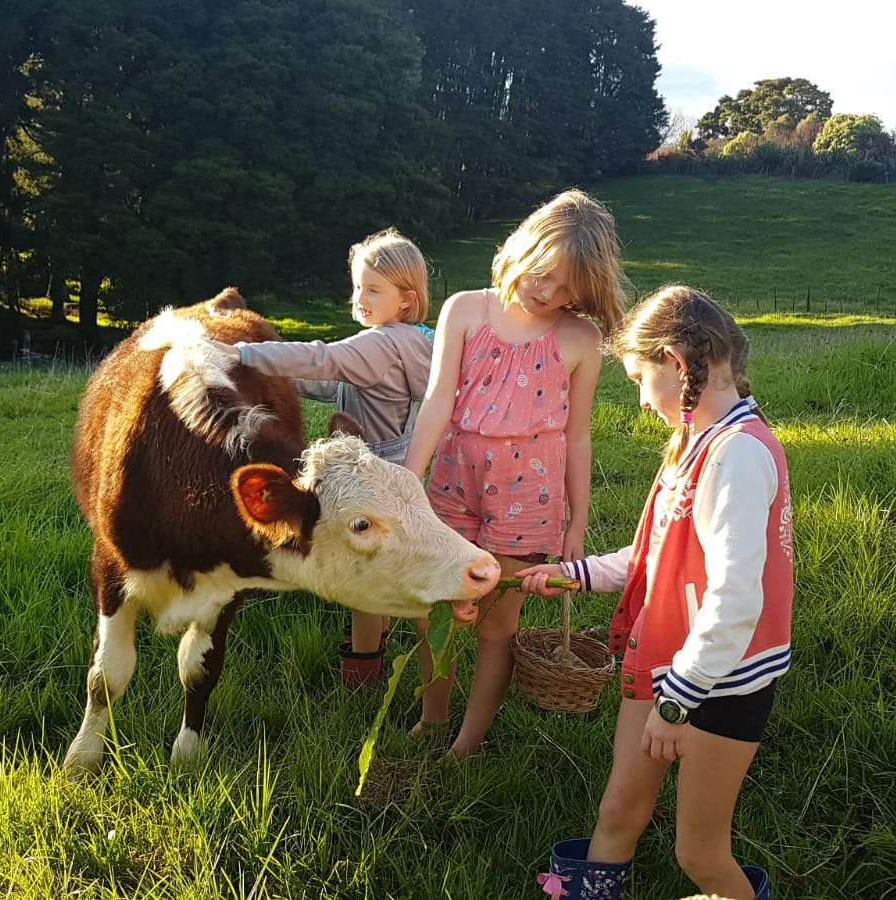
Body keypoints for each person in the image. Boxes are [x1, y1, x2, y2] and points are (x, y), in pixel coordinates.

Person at [520, 285, 793, 900]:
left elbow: (735, 601)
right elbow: (659, 557)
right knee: (619, 806)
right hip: (669, 661)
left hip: (721, 683)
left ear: (676, 362)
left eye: (640, 378)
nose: (642, 401)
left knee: (699, 854)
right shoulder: (698, 444)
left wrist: (678, 704)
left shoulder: (738, 456)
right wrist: (574, 574)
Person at [403, 188, 627, 758]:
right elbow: (437, 403)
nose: (547, 293)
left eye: (567, 290)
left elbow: (577, 435)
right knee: (442, 613)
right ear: (524, 245)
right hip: (453, 487)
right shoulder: (464, 309)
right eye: (543, 275)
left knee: (495, 627)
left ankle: (468, 742)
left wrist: (577, 525)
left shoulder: (580, 339)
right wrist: (407, 481)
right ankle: (432, 721)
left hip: (529, 503)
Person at [216, 227, 434, 687]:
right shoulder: (408, 341)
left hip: (366, 473)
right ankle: (383, 644)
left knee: (363, 577)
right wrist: (278, 377)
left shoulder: (380, 345)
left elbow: (320, 359)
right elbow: (332, 382)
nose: (360, 298)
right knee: (384, 561)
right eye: (357, 286)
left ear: (406, 300)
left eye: (374, 289)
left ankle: (362, 677)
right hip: (394, 463)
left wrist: (240, 352)